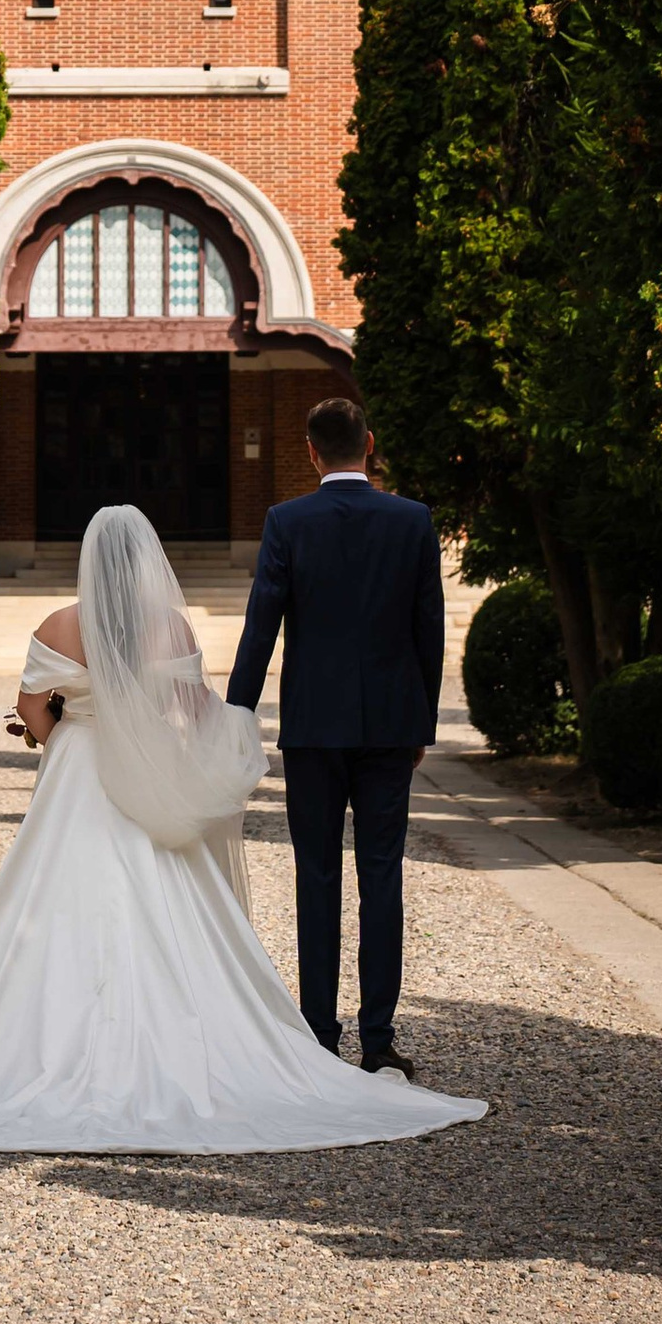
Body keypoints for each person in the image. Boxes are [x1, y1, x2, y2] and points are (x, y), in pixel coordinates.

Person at [0, 500, 481, 1154]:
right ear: (147, 562)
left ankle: (40, 1044)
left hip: (76, 779)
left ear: (91, 557)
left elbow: (32, 710)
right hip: (145, 774)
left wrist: (61, 732)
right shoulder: (169, 624)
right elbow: (191, 713)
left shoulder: (59, 622)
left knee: (52, 909)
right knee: (172, 906)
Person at [222, 393, 443, 1076]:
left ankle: (319, 1036)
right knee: (381, 876)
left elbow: (262, 624)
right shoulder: (412, 520)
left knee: (316, 876)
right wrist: (421, 723)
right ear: (369, 445)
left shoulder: (288, 521)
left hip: (313, 726)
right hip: (388, 726)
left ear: (311, 451)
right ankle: (378, 1041)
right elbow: (428, 631)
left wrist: (237, 713)